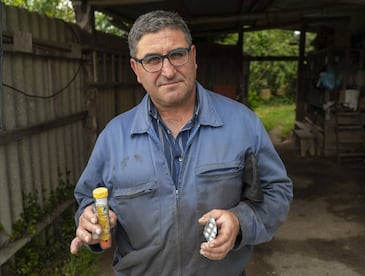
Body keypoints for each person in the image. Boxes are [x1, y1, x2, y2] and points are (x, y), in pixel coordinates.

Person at [70, 10, 293, 276]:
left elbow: (276, 191)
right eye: (152, 60)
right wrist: (91, 222)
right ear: (136, 70)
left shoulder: (243, 124)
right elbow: (88, 197)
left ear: (193, 57)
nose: (168, 70)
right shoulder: (113, 137)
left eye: (177, 55)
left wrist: (240, 221)